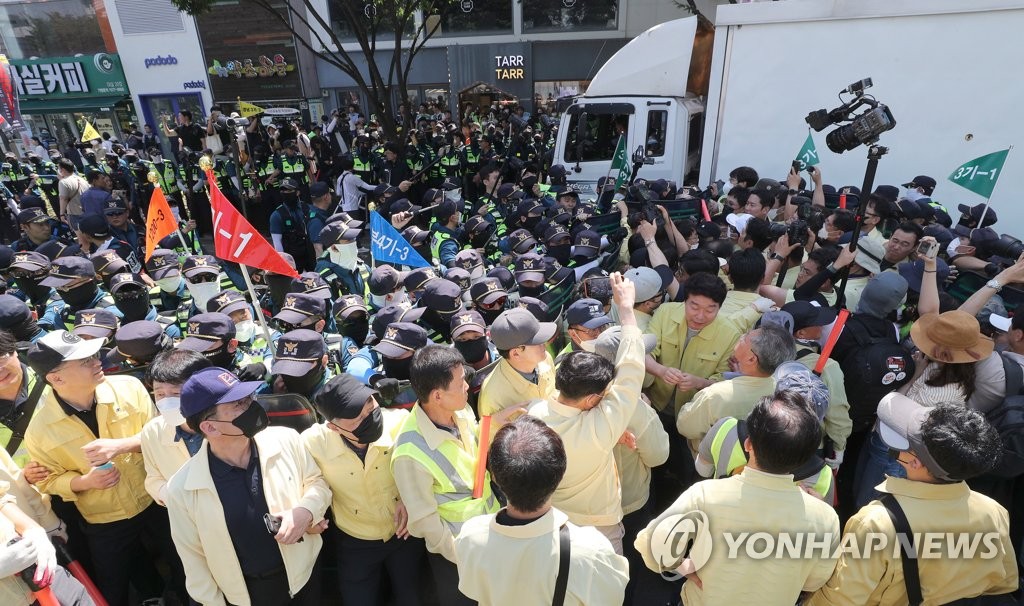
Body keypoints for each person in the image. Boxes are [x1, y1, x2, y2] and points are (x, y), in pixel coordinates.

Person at [807, 395, 1019, 605]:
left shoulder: (877, 524)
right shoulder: (994, 511)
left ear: (915, 461)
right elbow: (1004, 581)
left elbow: (839, 600)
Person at [636, 390, 841, 605]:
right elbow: (814, 581)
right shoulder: (825, 517)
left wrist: (683, 566)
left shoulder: (705, 496)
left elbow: (652, 546)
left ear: (749, 445)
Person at [24, 330, 177, 606]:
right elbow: (48, 481)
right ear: (56, 378)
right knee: (111, 589)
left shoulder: (129, 387)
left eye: (93, 355)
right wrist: (83, 483)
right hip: (104, 519)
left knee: (184, 567)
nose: (97, 361)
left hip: (157, 500)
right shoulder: (39, 429)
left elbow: (164, 434)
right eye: (84, 361)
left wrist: (123, 445)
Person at [166, 366, 330, 606]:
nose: (251, 406)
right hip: (249, 595)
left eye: (248, 399)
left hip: (305, 578)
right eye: (237, 405)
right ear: (210, 427)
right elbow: (195, 562)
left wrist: (306, 512)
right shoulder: (181, 489)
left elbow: (318, 483)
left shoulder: (286, 439)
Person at [453, 416, 630, 605]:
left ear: (495, 476)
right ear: (560, 474)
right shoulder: (591, 551)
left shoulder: (470, 537)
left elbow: (471, 588)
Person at [528, 272, 642, 554]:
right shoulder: (603, 426)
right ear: (592, 399)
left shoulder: (534, 414)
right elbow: (630, 373)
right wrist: (626, 312)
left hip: (553, 522)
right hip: (600, 527)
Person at [391, 345, 501, 606]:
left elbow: (473, 447)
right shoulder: (410, 453)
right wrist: (463, 555)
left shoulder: (461, 409)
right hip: (458, 556)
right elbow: (426, 523)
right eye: (461, 381)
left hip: (492, 533)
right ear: (437, 396)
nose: (467, 386)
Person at [304, 374, 425, 606]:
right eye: (356, 418)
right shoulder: (312, 443)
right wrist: (310, 514)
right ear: (333, 426)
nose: (368, 416)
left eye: (370, 405)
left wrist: (409, 497)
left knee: (411, 596)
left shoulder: (400, 421)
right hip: (355, 539)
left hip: (404, 531)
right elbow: (308, 482)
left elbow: (421, 466)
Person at [677, 324, 796, 454]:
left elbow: (685, 427)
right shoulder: (782, 389)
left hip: (713, 463)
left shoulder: (716, 395)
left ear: (751, 359)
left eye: (745, 338)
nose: (741, 336)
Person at [139, 349, 212, 505]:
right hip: (186, 518)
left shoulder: (229, 425)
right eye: (160, 394)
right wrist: (168, 493)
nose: (167, 401)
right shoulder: (152, 431)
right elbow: (153, 477)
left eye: (176, 393)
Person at [478, 307, 557, 424]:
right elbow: (491, 439)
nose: (544, 343)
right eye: (536, 341)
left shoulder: (545, 358)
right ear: (516, 353)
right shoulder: (493, 395)